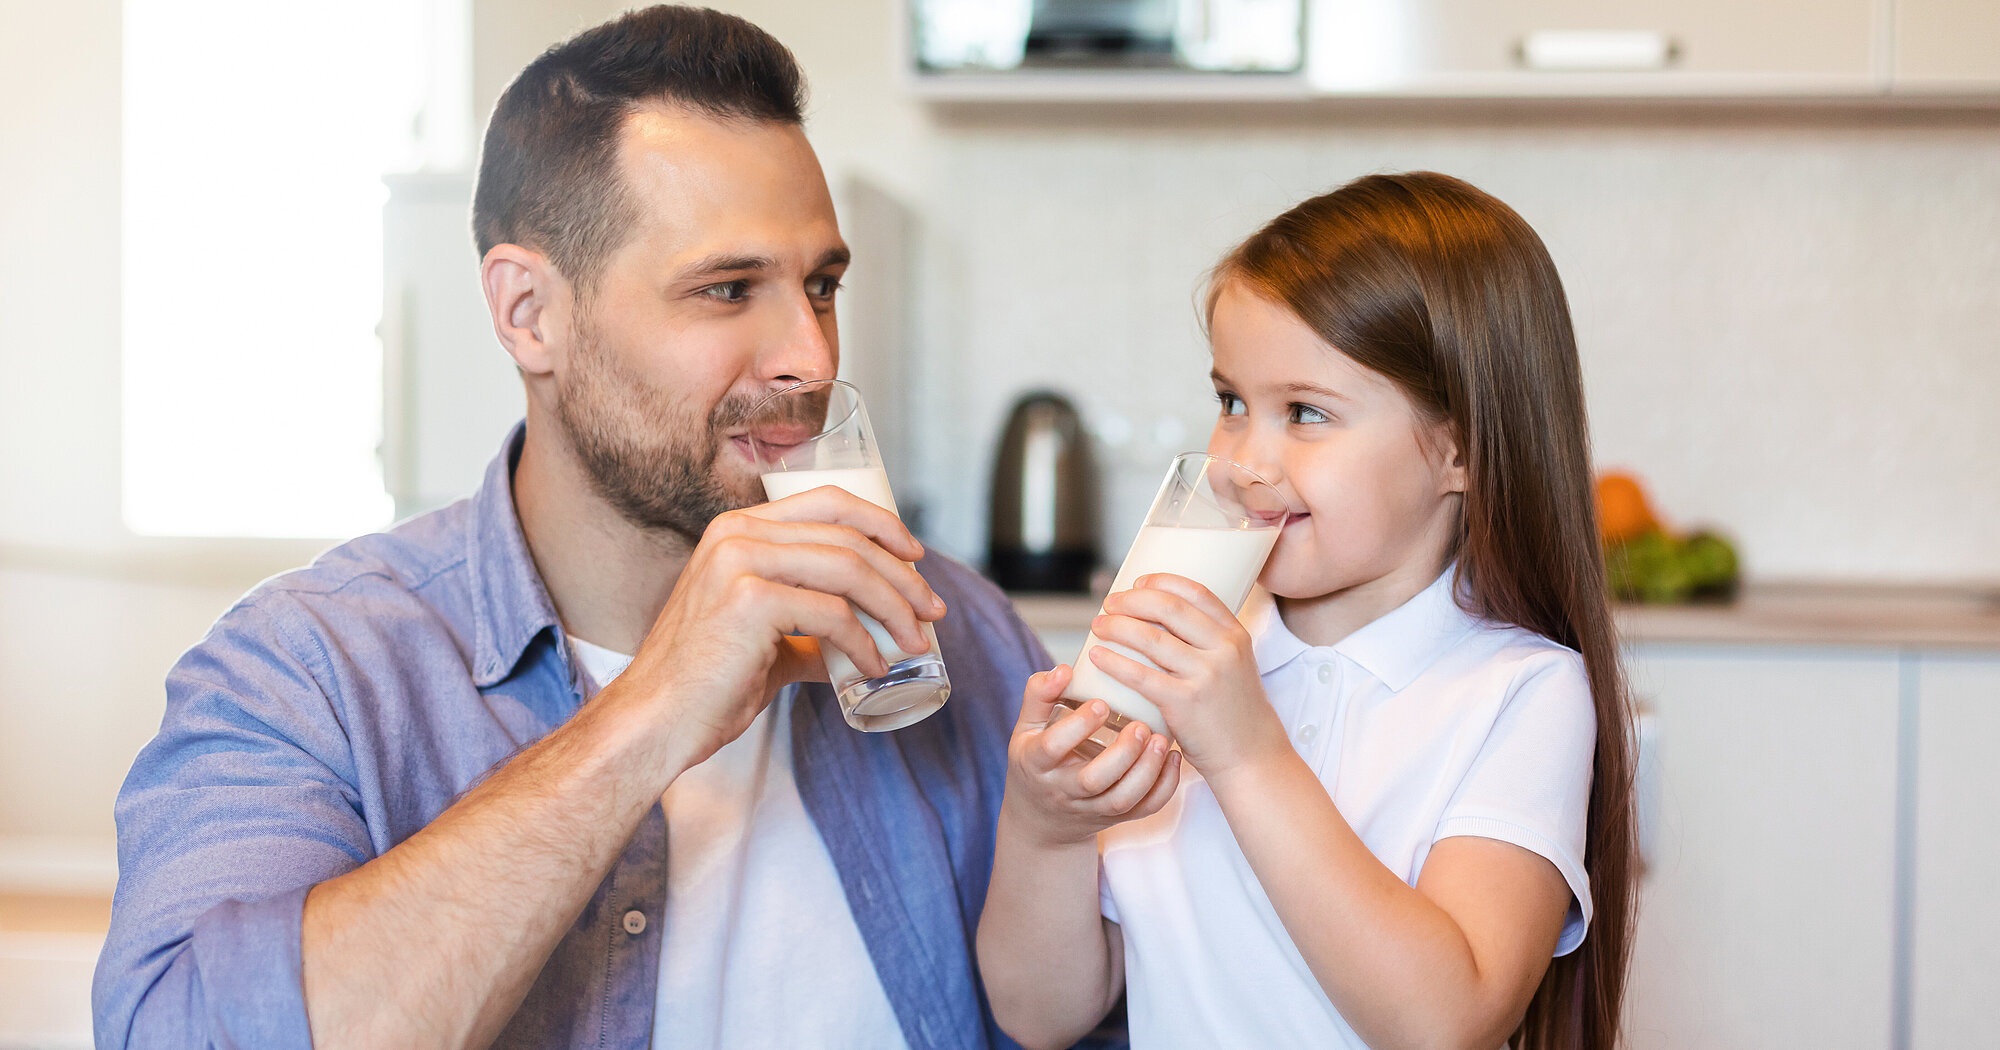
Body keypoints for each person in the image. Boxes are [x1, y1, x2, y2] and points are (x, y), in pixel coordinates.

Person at [93, 8, 1047, 1049]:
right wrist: (651, 710)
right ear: (528, 314)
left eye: (820, 286)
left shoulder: (965, 635)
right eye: (728, 289)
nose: (811, 359)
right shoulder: (307, 673)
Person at [977, 172, 1638, 1050]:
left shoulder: (1519, 694)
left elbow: (1449, 1021)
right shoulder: (1190, 667)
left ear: (1462, 449)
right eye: (1231, 403)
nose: (1246, 461)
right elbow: (1041, 1015)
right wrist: (1045, 828)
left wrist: (1247, 753)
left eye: (1306, 412)